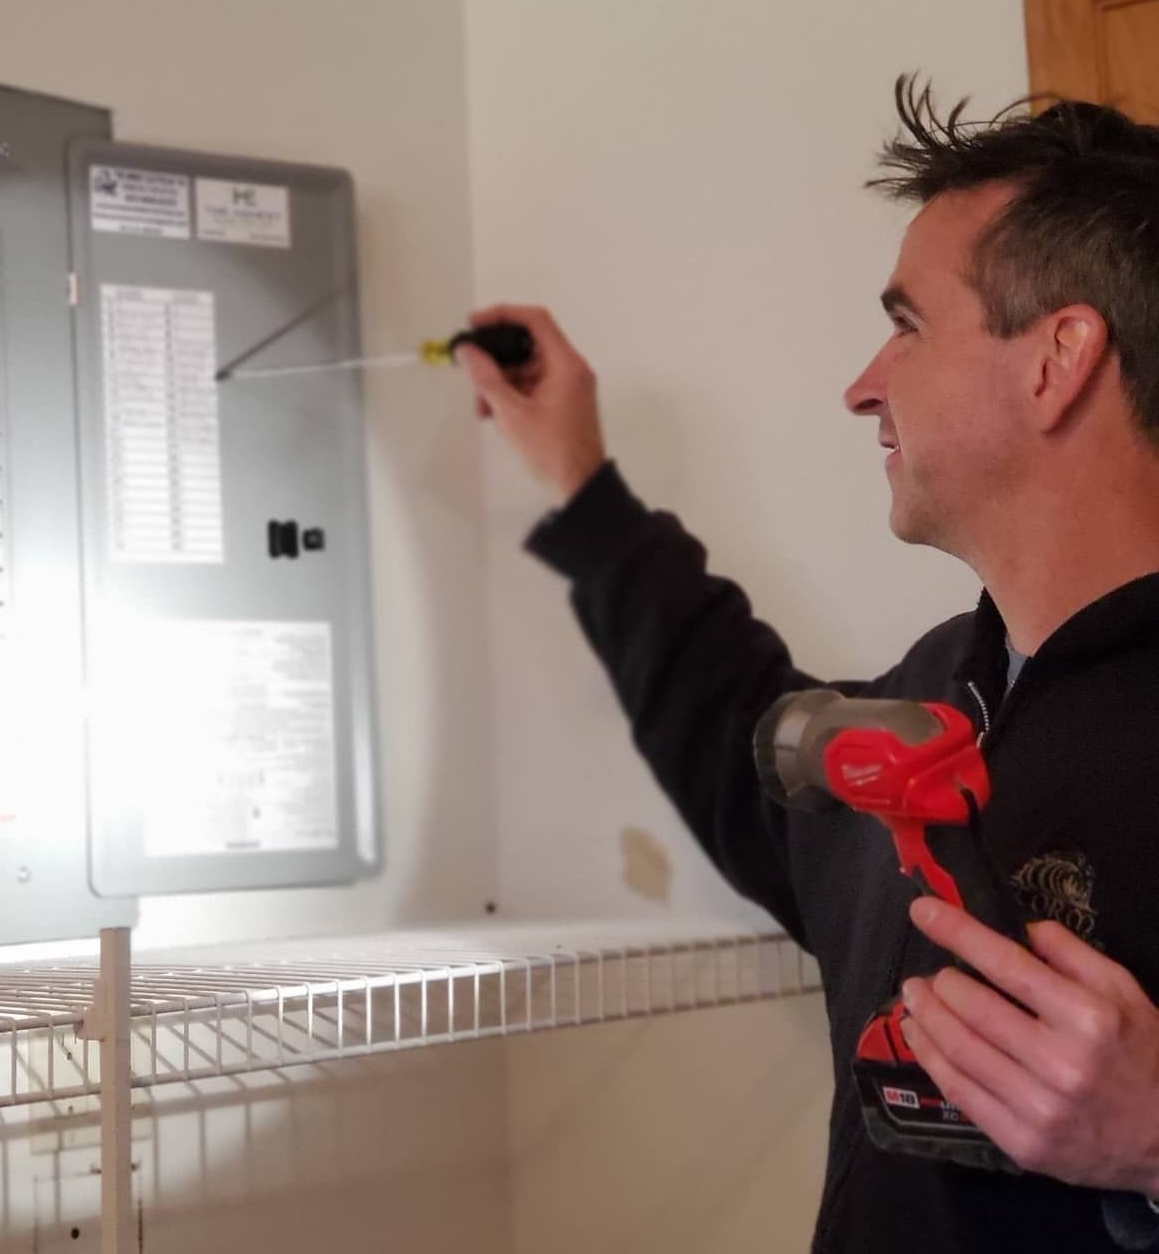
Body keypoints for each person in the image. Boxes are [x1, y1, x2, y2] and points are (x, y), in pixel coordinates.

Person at [457, 79, 1159, 1253]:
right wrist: (582, 487)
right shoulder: (945, 694)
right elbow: (743, 742)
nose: (863, 385)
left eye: (909, 324)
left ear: (1058, 360)